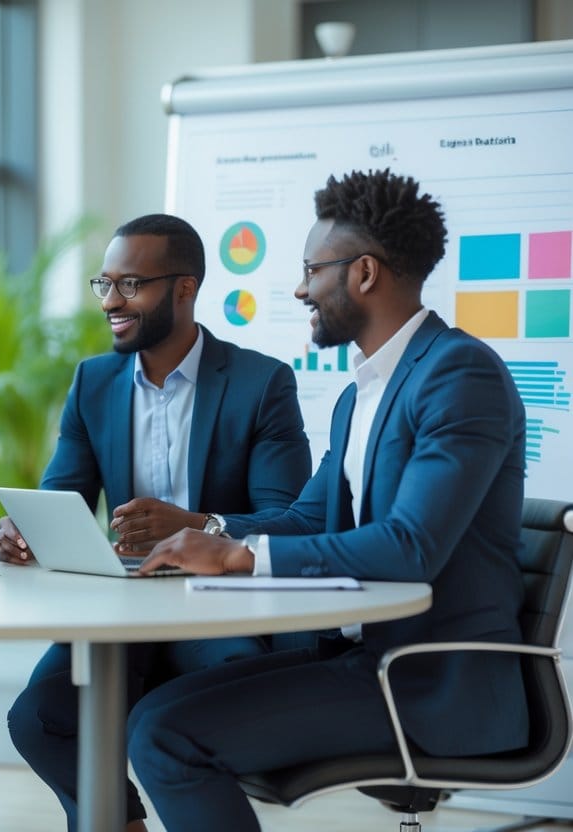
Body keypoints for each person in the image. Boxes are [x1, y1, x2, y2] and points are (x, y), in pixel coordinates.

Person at [127, 169, 528, 830]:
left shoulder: (458, 374)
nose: (298, 288)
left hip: (428, 683)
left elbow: (411, 547)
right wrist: (206, 533)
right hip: (362, 660)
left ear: (362, 273)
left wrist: (238, 560)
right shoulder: (359, 392)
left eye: (311, 269)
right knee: (150, 713)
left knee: (168, 736)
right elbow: (312, 516)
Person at [0, 213, 313, 831]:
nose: (112, 302)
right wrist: (26, 529)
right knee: (38, 720)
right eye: (105, 284)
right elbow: (62, 494)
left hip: (216, 608)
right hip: (121, 613)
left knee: (186, 718)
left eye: (131, 285)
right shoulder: (93, 381)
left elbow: (291, 520)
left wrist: (199, 523)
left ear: (185, 289)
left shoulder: (260, 382)